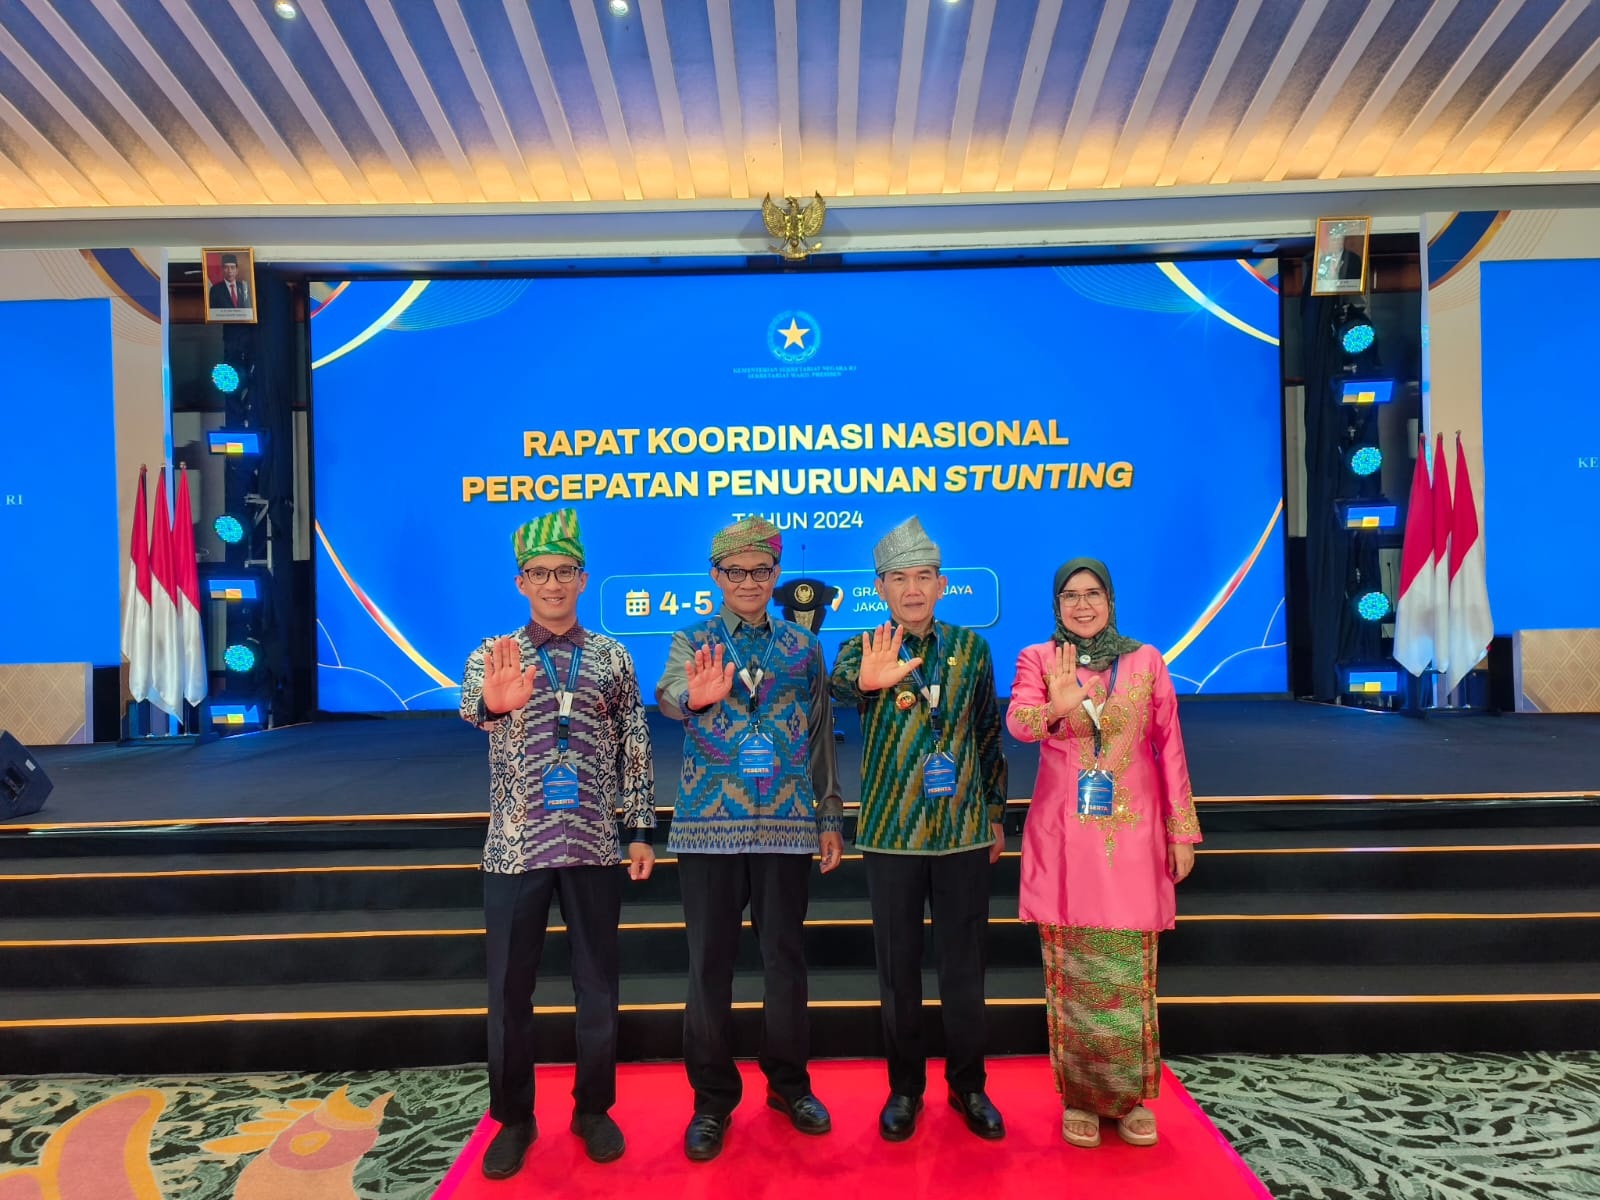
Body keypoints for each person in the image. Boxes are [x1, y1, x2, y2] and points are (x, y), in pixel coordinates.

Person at [458, 508, 655, 1178]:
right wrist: (497, 702)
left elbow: (636, 743)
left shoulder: (612, 656)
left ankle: (592, 1108)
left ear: (583, 578)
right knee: (509, 993)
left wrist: (638, 828)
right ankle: (514, 1119)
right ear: (520, 583)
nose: (552, 584)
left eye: (564, 572)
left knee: (597, 986)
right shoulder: (494, 655)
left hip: (596, 846)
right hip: (514, 851)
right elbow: (473, 710)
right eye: (539, 573)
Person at [656, 514, 845, 1162]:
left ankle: (789, 1084)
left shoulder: (802, 648)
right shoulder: (695, 639)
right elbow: (670, 695)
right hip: (709, 830)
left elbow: (821, 738)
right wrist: (695, 696)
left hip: (789, 828)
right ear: (715, 576)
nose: (748, 582)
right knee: (709, 969)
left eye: (760, 571)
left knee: (785, 965)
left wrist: (828, 816)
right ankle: (712, 1100)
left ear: (775, 575)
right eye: (735, 572)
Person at [1005, 557, 1200, 1150]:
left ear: (1110, 600)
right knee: (1072, 975)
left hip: (1135, 839)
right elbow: (1018, 723)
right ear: (1056, 604)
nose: (1082, 605)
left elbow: (1169, 748)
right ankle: (1083, 1099)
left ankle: (1134, 1097)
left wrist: (1181, 831)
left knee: (1131, 973)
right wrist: (1057, 708)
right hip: (1065, 842)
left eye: (1093, 594)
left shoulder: (1146, 661)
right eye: (1070, 596)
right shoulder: (1039, 659)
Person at [829, 517, 1007, 1142]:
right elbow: (836, 683)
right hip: (890, 835)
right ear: (880, 587)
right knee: (897, 971)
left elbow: (988, 729)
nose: (912, 589)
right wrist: (866, 682)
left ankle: (969, 1085)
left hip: (960, 833)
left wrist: (993, 811)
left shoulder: (971, 648)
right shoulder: (864, 646)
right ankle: (904, 1088)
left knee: (965, 969)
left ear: (941, 584)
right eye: (899, 579)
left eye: (923, 577)